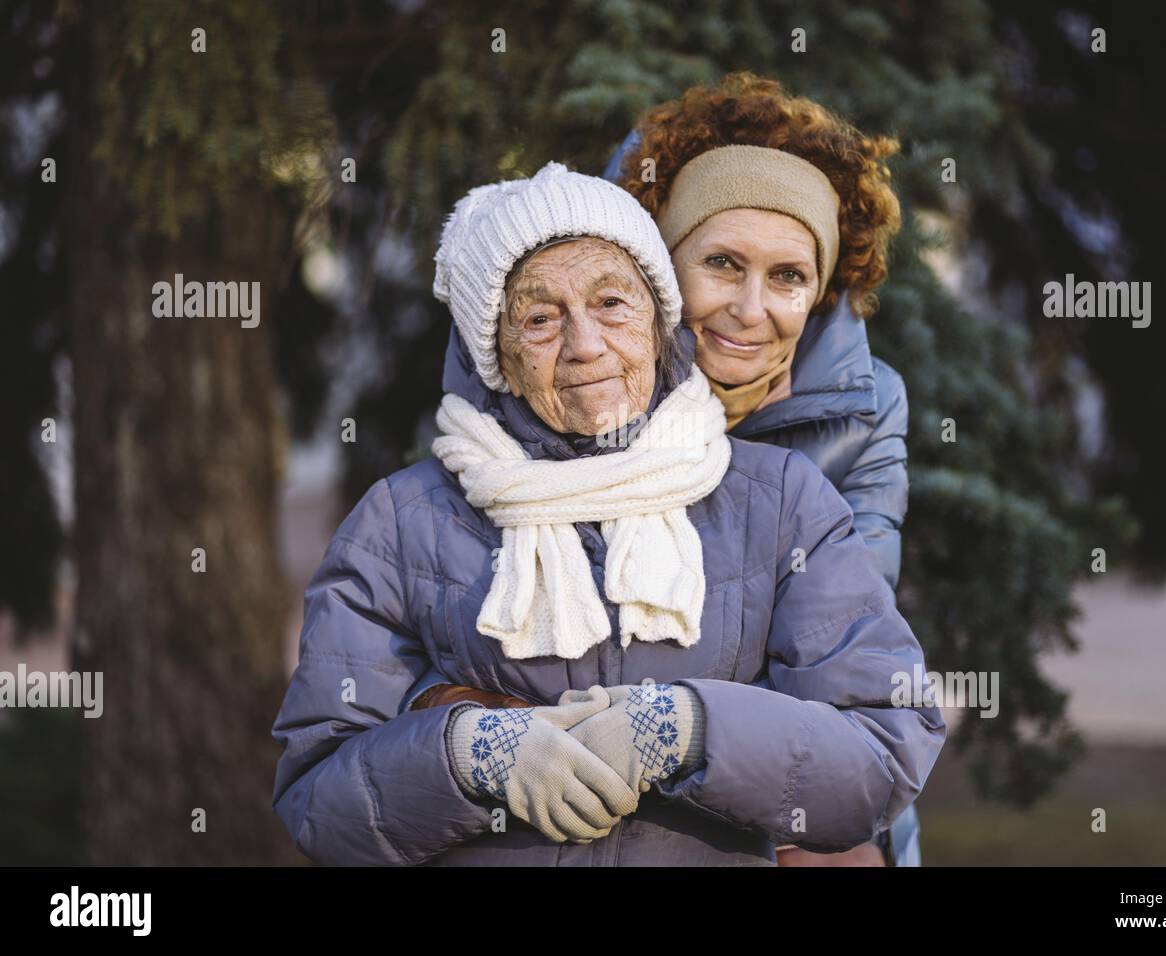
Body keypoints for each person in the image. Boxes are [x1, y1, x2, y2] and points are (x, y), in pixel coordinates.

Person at [270, 160, 945, 865]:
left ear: (660, 320)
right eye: (540, 318)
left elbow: (883, 748)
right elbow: (319, 801)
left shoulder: (782, 502)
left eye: (613, 304)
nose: (585, 345)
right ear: (494, 351)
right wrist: (472, 757)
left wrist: (685, 730)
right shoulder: (401, 521)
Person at [407, 72, 924, 866]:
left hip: (780, 793)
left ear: (819, 293)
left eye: (788, 277)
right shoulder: (553, 381)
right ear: (655, 265)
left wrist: (678, 726)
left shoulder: (856, 412)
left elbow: (842, 664)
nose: (751, 311)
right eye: (721, 263)